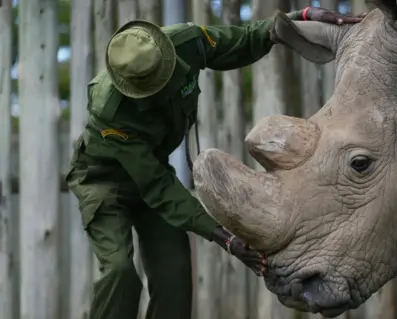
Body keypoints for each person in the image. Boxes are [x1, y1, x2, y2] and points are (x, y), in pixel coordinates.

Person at [66, 6, 364, 319]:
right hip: (105, 182)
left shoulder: (186, 42)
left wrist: (293, 21)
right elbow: (157, 186)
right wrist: (224, 238)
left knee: (174, 274)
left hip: (153, 174)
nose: (164, 91)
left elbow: (242, 40)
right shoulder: (110, 111)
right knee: (119, 272)